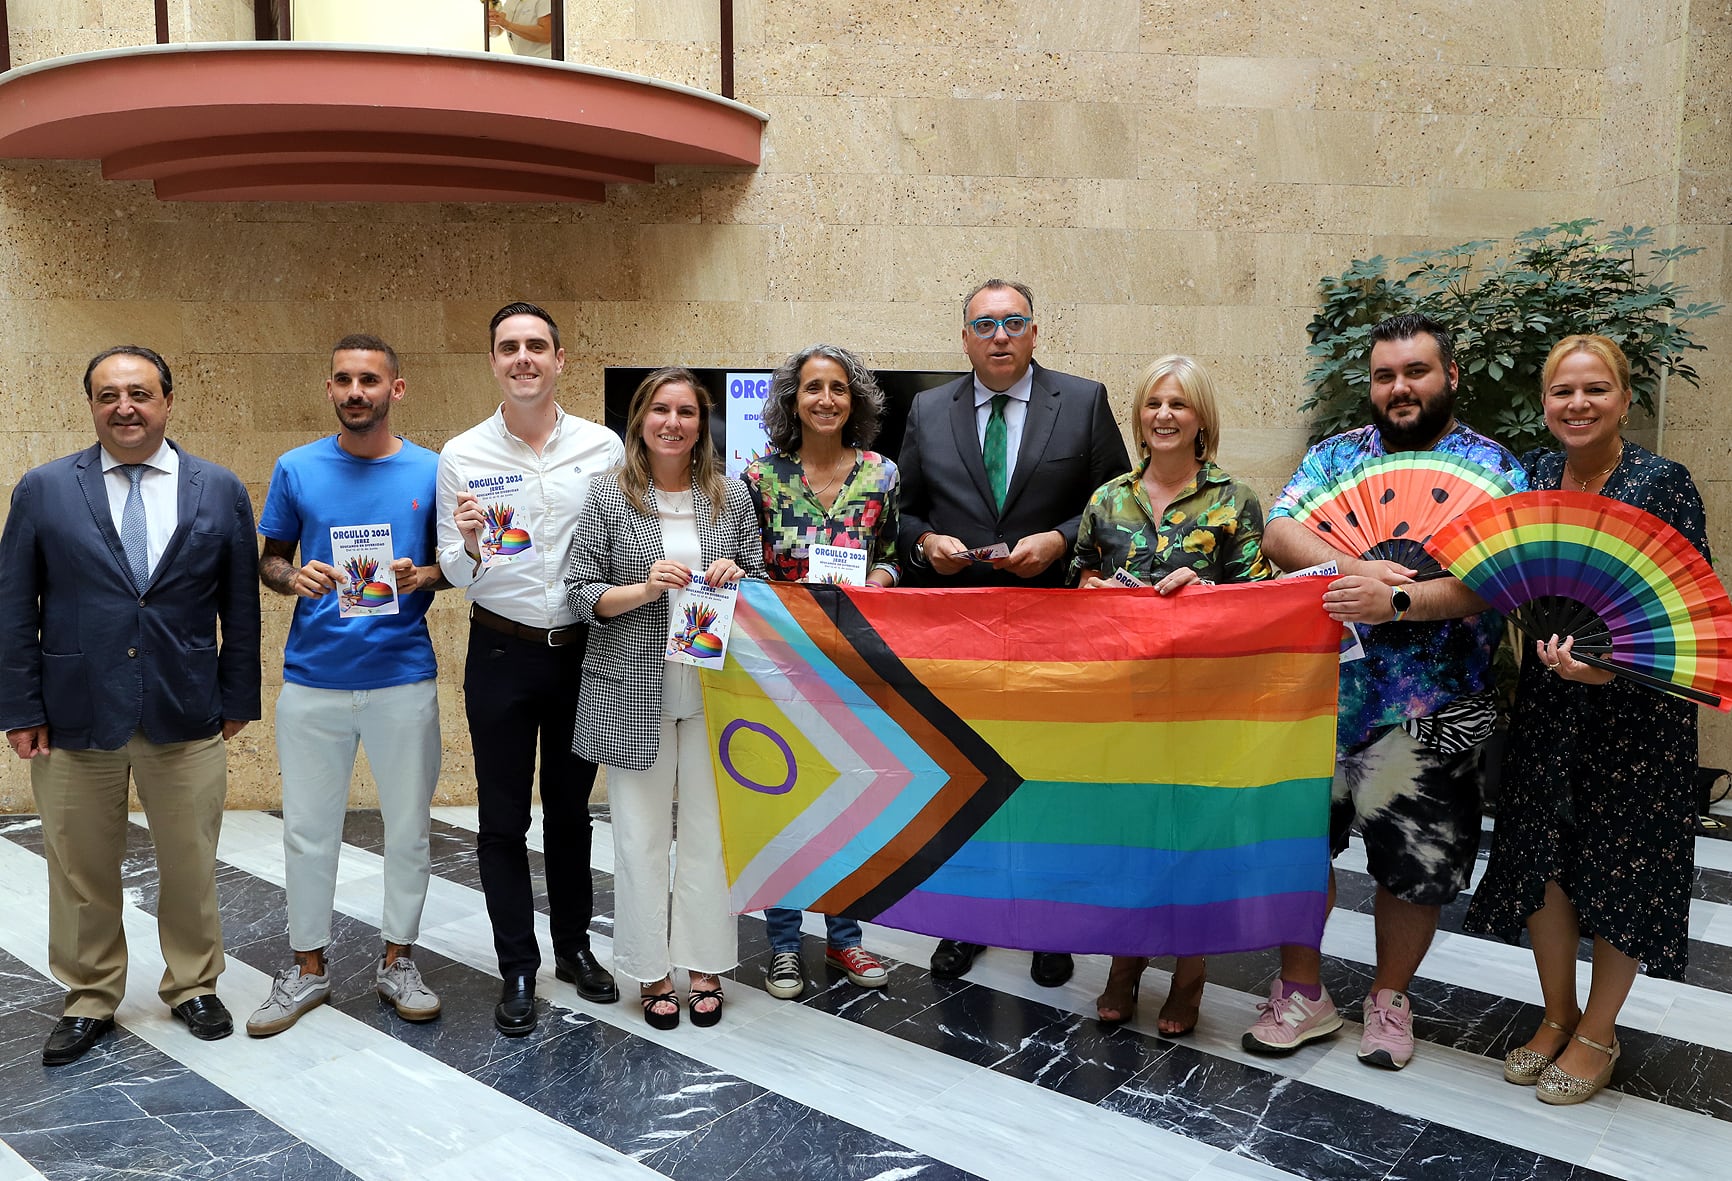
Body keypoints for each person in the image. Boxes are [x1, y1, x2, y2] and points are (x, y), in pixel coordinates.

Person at [1248, 312, 1526, 1069]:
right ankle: (1302, 993)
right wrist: (1352, 567)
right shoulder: (1336, 458)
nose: (1399, 388)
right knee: (1304, 849)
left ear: (1451, 377)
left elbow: (1500, 581)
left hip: (1442, 710)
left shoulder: (1497, 470)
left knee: (1419, 863)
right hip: (1325, 702)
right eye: (1385, 376)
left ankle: (1389, 999)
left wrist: (1399, 601)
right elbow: (1279, 533)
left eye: (1416, 372)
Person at [0, 346, 261, 1065]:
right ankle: (89, 996)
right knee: (80, 866)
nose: (125, 407)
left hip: (187, 706)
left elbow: (239, 604)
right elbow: (16, 605)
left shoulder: (217, 488)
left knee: (190, 861)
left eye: (140, 393)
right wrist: (20, 706)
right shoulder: (46, 488)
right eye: (108, 394)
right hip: (73, 710)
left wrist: (237, 693)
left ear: (168, 401)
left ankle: (193, 984)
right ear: (90, 404)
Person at [1465, 335, 1704, 1104]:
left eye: (1595, 389)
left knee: (1620, 862)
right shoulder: (1534, 475)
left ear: (1625, 399)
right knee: (1544, 857)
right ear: (1544, 403)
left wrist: (1605, 666)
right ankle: (1557, 1012)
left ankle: (1599, 1030)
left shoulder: (1662, 484)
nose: (1577, 404)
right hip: (1549, 700)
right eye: (1563, 391)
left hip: (1634, 711)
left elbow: (1681, 614)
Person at [898, 278, 1130, 988]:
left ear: (1035, 333)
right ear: (964, 337)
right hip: (957, 628)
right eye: (985, 324)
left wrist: (1062, 541)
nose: (1000, 335)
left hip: (1053, 627)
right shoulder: (927, 409)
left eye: (1015, 322)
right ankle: (963, 920)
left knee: (1045, 777)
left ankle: (1049, 926)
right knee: (961, 773)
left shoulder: (1084, 400)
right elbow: (902, 512)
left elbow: (1117, 499)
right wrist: (924, 543)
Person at [247, 335, 449, 1038]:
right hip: (313, 681)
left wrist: (419, 575)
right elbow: (269, 558)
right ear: (330, 389)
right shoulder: (296, 467)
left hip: (402, 678)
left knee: (410, 829)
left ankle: (398, 960)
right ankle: (307, 969)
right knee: (306, 830)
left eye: (369, 379)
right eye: (343, 379)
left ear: (397, 389)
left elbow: (452, 566)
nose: (355, 390)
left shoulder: (433, 468)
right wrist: (290, 576)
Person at [1071, 355, 1273, 1036]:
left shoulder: (1236, 501)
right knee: (1127, 839)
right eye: (1154, 402)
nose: (1164, 415)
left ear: (1200, 419)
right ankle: (1125, 966)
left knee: (1193, 840)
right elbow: (1077, 584)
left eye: (1179, 405)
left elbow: (1261, 603)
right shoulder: (1106, 500)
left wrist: (1208, 593)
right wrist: (1091, 592)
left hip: (1204, 703)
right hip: (1123, 702)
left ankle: (1189, 978)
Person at [436, 303, 623, 1037]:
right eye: (509, 347)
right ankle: (517, 962)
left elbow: (620, 539)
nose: (524, 358)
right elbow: (453, 568)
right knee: (502, 819)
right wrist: (475, 544)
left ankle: (574, 947)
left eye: (536, 346)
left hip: (582, 652)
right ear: (493, 362)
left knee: (573, 812)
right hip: (501, 652)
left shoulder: (602, 447)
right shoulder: (463, 453)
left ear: (560, 358)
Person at [565, 367, 765, 1029]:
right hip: (634, 691)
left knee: (709, 836)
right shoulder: (607, 496)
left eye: (687, 410)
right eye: (661, 409)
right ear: (641, 420)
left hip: (714, 690)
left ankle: (705, 962)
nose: (674, 421)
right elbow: (582, 590)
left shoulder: (730, 497)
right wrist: (645, 589)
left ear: (701, 423)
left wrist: (740, 576)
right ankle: (651, 969)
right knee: (640, 837)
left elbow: (761, 586)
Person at [741, 344, 898, 1001]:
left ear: (854, 399)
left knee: (852, 797)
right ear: (792, 401)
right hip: (781, 664)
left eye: (838, 388)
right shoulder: (759, 476)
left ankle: (845, 939)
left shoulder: (881, 474)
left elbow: (890, 556)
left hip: (854, 664)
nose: (826, 399)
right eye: (813, 388)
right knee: (789, 800)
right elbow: (744, 561)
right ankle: (782, 946)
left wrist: (881, 585)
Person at [485, 0, 553, 59]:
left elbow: (546, 35)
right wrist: (492, 9)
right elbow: (495, 32)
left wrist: (507, 25)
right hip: (522, 62)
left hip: (542, 63)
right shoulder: (512, 2)